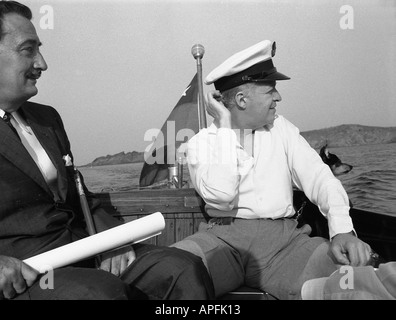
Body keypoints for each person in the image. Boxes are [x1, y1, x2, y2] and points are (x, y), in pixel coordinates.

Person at [0, 1, 214, 300]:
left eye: (40, 48)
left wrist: (115, 240)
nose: (42, 63)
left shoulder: (47, 119)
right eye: (28, 50)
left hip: (84, 248)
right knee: (99, 293)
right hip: (27, 272)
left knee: (181, 268)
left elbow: (82, 199)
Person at [171, 39, 373, 300]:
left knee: (354, 281)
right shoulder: (202, 143)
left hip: (285, 245)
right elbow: (220, 194)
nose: (279, 96)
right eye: (271, 90)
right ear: (242, 99)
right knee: (172, 275)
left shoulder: (282, 129)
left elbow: (320, 177)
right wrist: (225, 129)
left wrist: (342, 229)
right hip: (222, 241)